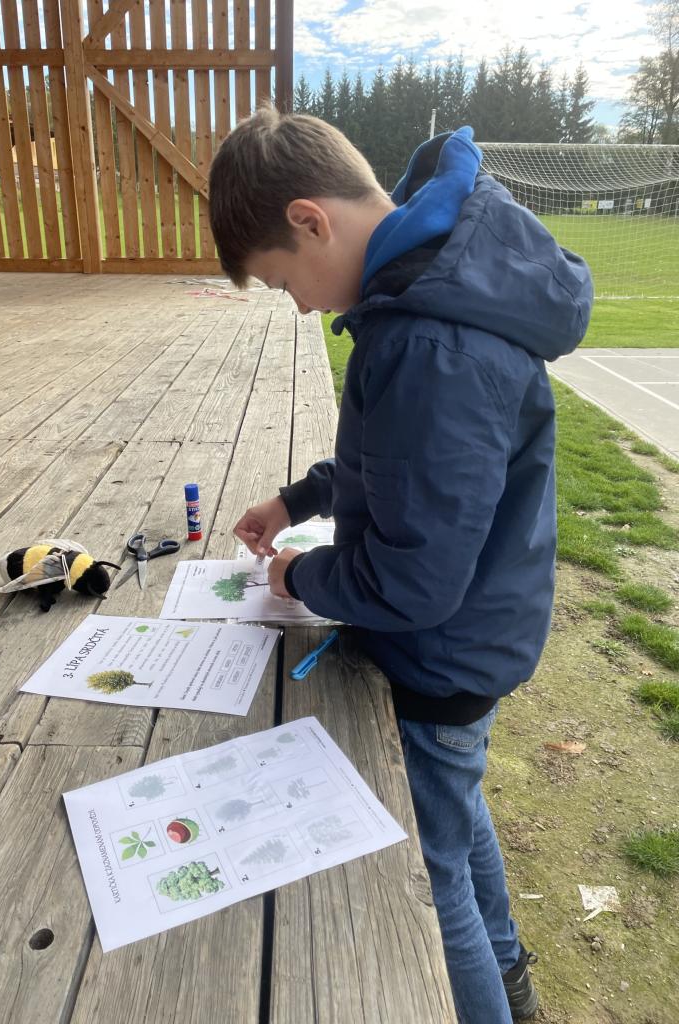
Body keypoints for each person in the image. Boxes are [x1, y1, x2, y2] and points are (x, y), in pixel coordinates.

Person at [209, 106, 592, 1023]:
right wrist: (301, 501)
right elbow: (400, 459)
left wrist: (298, 578)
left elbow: (414, 582)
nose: (302, 306)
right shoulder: (422, 295)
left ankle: (491, 998)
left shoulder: (430, 341)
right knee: (457, 817)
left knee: (433, 870)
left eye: (284, 282)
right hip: (469, 642)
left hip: (442, 654)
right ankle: (513, 978)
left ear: (310, 221)